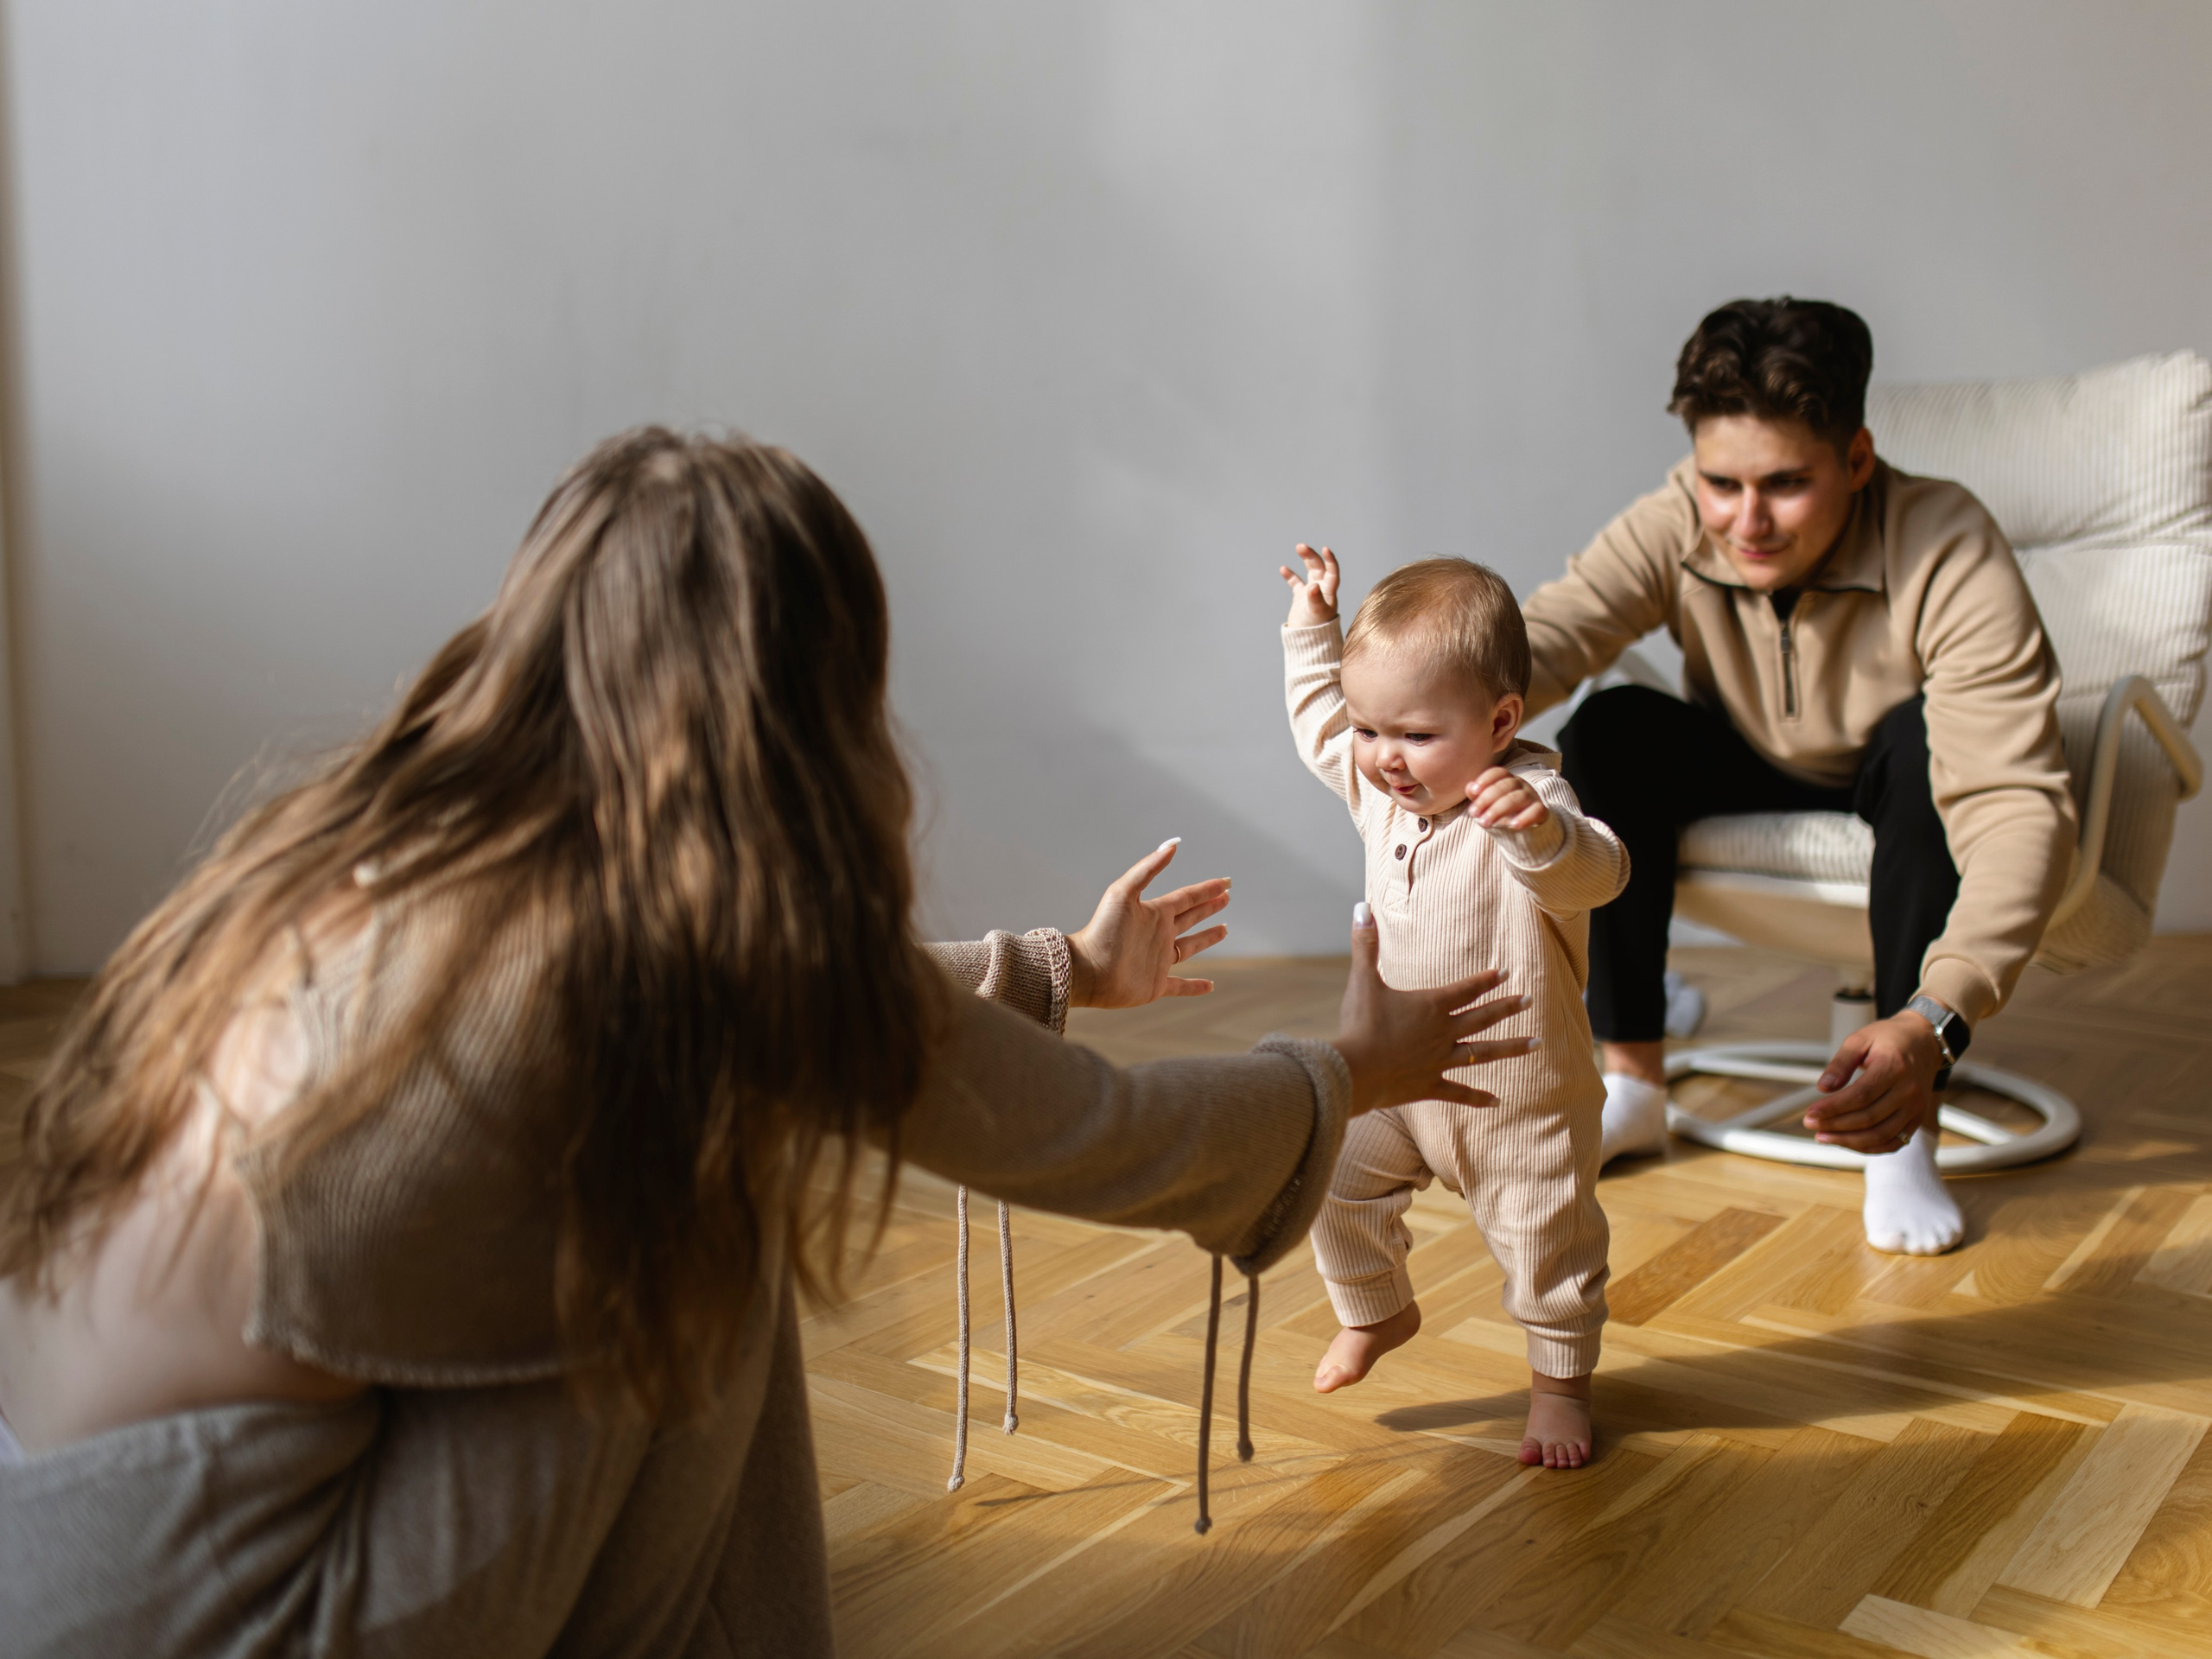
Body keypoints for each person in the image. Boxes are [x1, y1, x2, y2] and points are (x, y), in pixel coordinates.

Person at [0, 431, 1536, 1657]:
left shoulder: (367, 848)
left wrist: (1062, 967)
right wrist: (1355, 1070)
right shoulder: (676, 969)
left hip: (58, 1542)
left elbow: (830, 1015)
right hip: (236, 1601)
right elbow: (1101, 1139)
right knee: (692, 1204)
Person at [1522, 297, 2076, 1255]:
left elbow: (2017, 802)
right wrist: (1396, 710)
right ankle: (1635, 1085)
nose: (1747, 522)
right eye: (1720, 483)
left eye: (1784, 484)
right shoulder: (1675, 521)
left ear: (1856, 460)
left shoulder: (1945, 540)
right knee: (1606, 730)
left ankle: (1903, 1130)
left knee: (1925, 742)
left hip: (1892, 767)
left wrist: (1935, 1020)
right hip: (1739, 749)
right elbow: (1545, 640)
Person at [1278, 547, 1628, 1470]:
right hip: (1396, 1076)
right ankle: (1377, 1308)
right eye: (1371, 730)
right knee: (1328, 1172)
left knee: (1548, 1253)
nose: (1384, 758)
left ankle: (1558, 1389)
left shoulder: (1531, 806)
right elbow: (1321, 720)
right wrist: (1313, 627)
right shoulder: (1379, 791)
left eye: (1416, 736)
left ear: (1499, 720)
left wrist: (1542, 836)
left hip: (1516, 1095)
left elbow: (1602, 873)